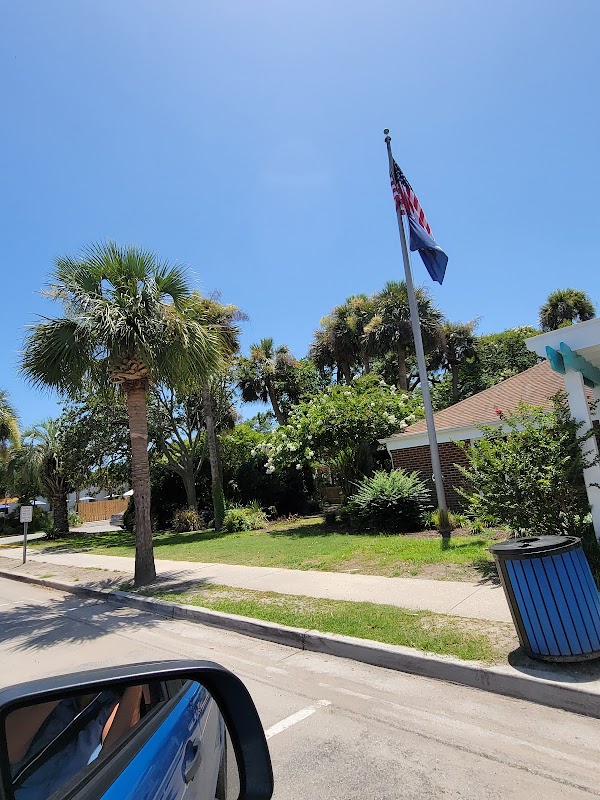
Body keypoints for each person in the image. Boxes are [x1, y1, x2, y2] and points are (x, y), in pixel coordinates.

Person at [6, 685, 149, 800]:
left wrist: (136, 683)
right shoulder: (38, 694)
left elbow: (115, 755)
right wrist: (64, 683)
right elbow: (11, 752)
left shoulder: (111, 705)